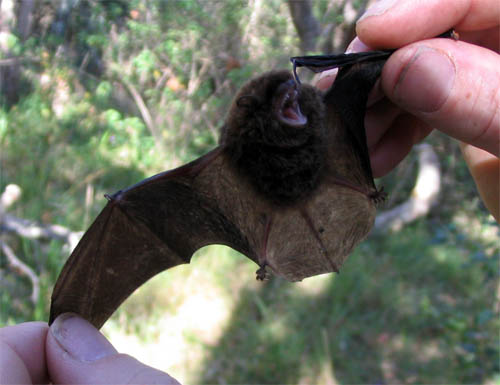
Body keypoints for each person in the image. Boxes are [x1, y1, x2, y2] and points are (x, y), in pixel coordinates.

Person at [1, 0, 498, 383]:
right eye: (279, 106)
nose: (291, 102)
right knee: (133, 206)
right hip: (273, 222)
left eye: (291, 95)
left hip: (336, 188)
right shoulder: (222, 174)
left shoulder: (330, 104)